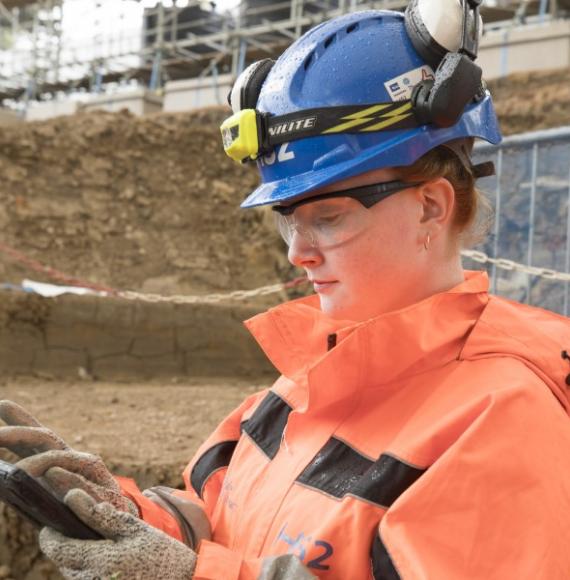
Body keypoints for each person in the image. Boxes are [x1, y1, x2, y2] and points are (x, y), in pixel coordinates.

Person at [2, 2, 570, 579]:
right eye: (289, 219)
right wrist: (134, 519)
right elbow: (222, 519)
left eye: (328, 217)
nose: (298, 252)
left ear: (430, 205)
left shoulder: (503, 422)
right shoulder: (303, 384)